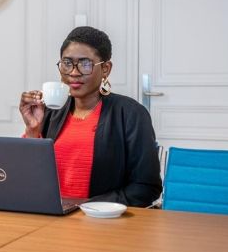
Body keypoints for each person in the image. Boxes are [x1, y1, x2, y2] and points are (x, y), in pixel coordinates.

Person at [19, 26, 162, 207]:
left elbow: (146, 187)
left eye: (85, 64)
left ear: (105, 69)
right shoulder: (50, 112)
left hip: (103, 223)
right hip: (51, 216)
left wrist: (88, 206)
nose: (74, 72)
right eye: (67, 63)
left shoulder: (131, 114)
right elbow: (27, 176)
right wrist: (33, 130)